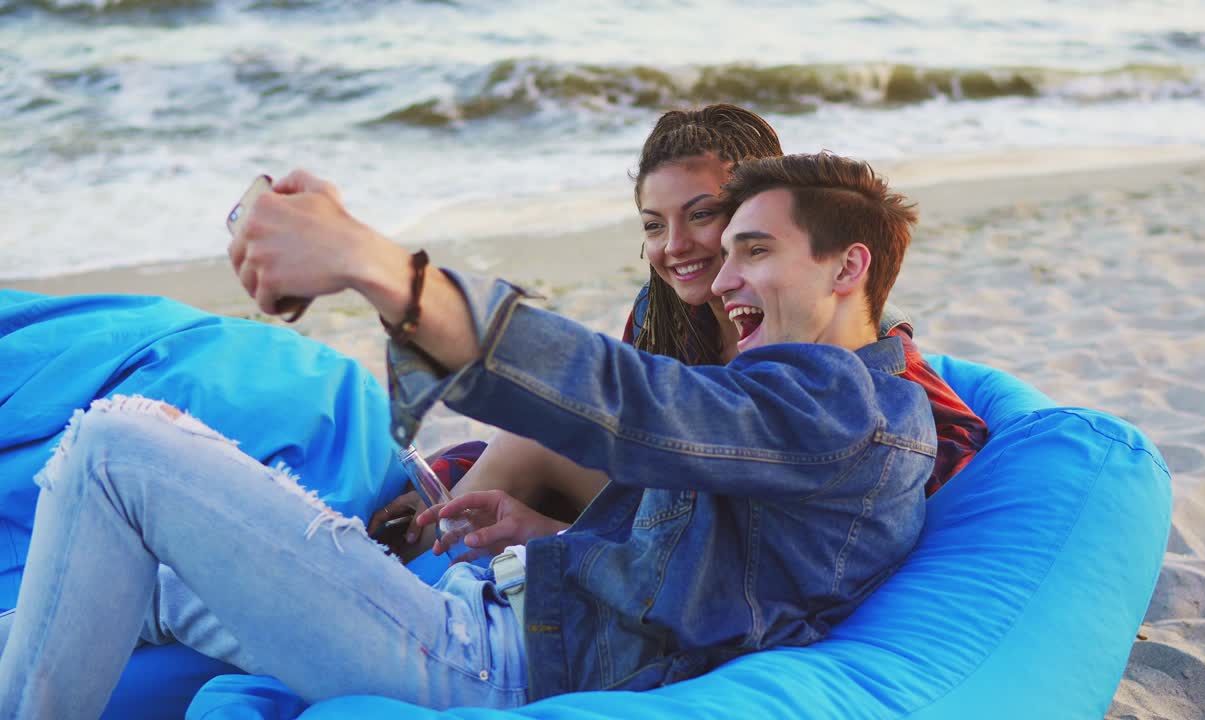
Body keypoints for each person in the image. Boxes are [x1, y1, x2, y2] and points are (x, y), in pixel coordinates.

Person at [0, 152, 934, 718]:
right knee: (155, 556)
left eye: (755, 251)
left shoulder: (845, 409)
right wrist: (556, 541)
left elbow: (632, 403)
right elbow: (735, 583)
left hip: (479, 662)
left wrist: (382, 270)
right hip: (487, 605)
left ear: (849, 265)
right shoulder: (825, 410)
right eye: (725, 251)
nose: (723, 280)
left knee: (119, 446)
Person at [370, 105, 987, 563]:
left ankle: (413, 582)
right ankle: (419, 550)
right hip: (675, 504)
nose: (676, 247)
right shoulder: (661, 313)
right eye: (654, 225)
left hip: (757, 527)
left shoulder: (832, 332)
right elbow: (613, 424)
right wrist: (451, 474)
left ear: (756, 207)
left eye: (701, 214)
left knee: (531, 445)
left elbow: (942, 443)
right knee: (521, 447)